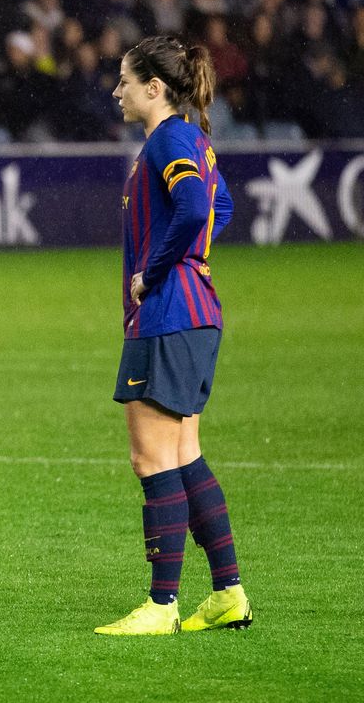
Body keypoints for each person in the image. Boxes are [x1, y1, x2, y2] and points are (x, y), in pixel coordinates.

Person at [95, 36, 252, 635]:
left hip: (167, 315)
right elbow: (221, 206)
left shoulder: (168, 138)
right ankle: (227, 593)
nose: (117, 91)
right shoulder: (192, 140)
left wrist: (152, 272)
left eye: (125, 81)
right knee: (184, 453)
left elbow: (194, 209)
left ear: (154, 88)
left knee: (150, 457)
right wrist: (191, 257)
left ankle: (161, 605)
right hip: (193, 314)